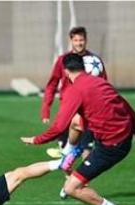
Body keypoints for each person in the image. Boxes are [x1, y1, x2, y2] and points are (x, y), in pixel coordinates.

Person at [21, 53, 135, 205]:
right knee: (77, 122)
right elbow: (124, 104)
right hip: (121, 135)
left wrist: (36, 140)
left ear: (65, 71)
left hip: (111, 146)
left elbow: (58, 127)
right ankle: (69, 152)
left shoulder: (75, 90)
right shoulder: (99, 82)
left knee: (71, 188)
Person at [41, 26, 107, 160]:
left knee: (87, 149)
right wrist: (46, 108)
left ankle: (85, 179)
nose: (79, 43)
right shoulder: (63, 60)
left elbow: (104, 84)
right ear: (71, 41)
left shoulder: (95, 61)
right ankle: (69, 177)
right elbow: (52, 84)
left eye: (81, 40)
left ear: (86, 40)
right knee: (65, 155)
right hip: (68, 110)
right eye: (76, 40)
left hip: (88, 112)